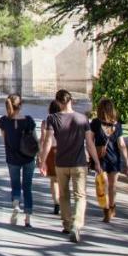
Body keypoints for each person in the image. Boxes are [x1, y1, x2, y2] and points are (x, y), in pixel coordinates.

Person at [38, 89, 103, 243]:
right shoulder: (82, 119)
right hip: (79, 163)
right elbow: (90, 144)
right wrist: (97, 162)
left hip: (61, 163)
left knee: (64, 195)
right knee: (80, 196)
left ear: (58, 102)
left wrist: (43, 161)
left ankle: (67, 224)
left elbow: (47, 141)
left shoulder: (52, 118)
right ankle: (77, 225)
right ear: (71, 100)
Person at [0, 93, 37, 228]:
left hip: (12, 158)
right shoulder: (29, 120)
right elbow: (35, 140)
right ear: (21, 105)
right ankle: (28, 219)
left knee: (15, 185)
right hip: (28, 158)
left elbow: (3, 140)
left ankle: (15, 203)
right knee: (27, 187)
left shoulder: (4, 121)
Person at [90, 98, 128, 222]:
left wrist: (90, 156)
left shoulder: (95, 123)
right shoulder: (117, 125)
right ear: (111, 110)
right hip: (114, 159)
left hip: (100, 159)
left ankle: (106, 210)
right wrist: (127, 161)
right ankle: (112, 207)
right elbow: (121, 144)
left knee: (102, 186)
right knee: (113, 186)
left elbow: (90, 141)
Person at [44, 99, 62, 216]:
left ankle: (56, 203)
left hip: (52, 151)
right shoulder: (65, 120)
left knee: (53, 180)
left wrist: (41, 155)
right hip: (64, 151)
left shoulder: (47, 121)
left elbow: (44, 139)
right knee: (62, 179)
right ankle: (62, 201)